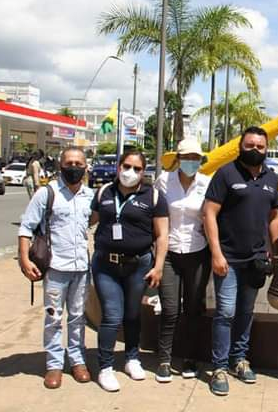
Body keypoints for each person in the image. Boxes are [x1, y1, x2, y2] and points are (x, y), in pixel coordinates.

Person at [203, 126, 278, 396]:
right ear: (240, 146)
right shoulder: (225, 174)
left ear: (266, 148)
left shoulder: (272, 178)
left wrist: (276, 248)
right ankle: (219, 367)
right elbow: (209, 213)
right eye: (250, 145)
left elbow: (273, 215)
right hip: (228, 259)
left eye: (260, 146)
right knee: (225, 313)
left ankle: (239, 359)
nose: (255, 150)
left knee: (246, 313)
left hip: (256, 260)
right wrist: (216, 253)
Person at [90, 150, 169, 392]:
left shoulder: (154, 196)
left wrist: (158, 266)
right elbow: (89, 220)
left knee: (133, 314)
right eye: (126, 166)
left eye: (136, 168)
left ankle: (132, 358)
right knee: (113, 315)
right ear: (118, 167)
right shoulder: (104, 192)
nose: (130, 172)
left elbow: (162, 234)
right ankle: (105, 367)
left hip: (138, 265)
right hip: (105, 265)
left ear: (144, 172)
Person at [17, 146, 94, 389]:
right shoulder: (46, 194)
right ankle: (53, 364)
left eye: (78, 163)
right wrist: (24, 259)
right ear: (61, 165)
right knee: (53, 318)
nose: (74, 167)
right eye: (69, 163)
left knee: (78, 318)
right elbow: (26, 227)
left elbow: (92, 222)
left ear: (85, 167)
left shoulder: (90, 196)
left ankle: (78, 360)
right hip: (54, 268)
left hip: (81, 268)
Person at [153, 137, 211, 383]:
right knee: (170, 309)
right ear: (178, 159)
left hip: (198, 252)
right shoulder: (163, 182)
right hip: (170, 253)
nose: (191, 162)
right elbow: (157, 218)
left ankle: (190, 359)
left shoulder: (207, 184)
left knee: (193, 310)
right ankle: (165, 359)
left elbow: (211, 217)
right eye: (186, 157)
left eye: (195, 158)